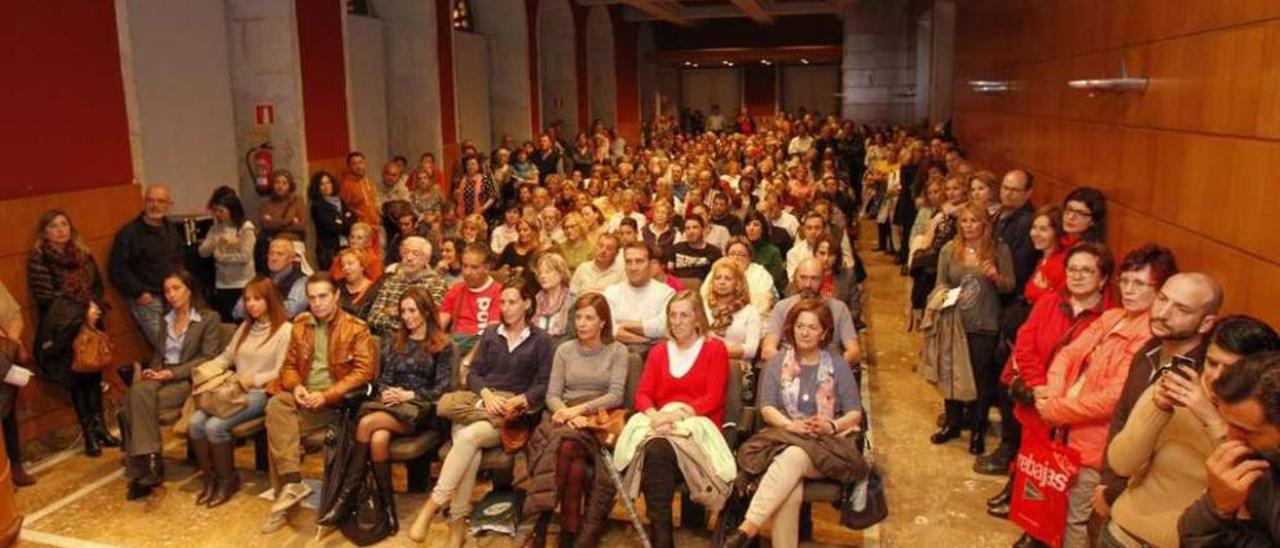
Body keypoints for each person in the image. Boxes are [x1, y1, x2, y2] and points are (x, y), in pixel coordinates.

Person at [1029, 245, 1168, 548]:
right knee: (1055, 510)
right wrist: (1052, 397)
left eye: (1140, 284)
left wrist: (1055, 409)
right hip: (1064, 431)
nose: (1129, 290)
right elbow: (1068, 354)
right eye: (1126, 281)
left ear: (1161, 291)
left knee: (1075, 520)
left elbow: (1112, 398)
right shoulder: (1114, 316)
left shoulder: (1151, 337)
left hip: (1094, 445)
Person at [407, 279, 553, 546]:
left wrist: (519, 400)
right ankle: (456, 527)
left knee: (465, 438)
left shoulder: (541, 340)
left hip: (510, 413)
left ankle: (434, 505)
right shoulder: (490, 333)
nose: (506, 308)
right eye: (503, 302)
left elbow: (544, 384)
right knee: (467, 442)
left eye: (512, 302)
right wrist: (485, 394)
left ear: (527, 304)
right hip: (479, 404)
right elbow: (473, 374)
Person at [984, 243, 1115, 519]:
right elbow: (1025, 342)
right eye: (1072, 269)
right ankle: (1023, 509)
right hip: (1037, 397)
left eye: (1087, 271)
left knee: (1056, 474)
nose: (1077, 275)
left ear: (1102, 278)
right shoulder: (1049, 302)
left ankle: (1041, 525)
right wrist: (1037, 385)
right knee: (1030, 459)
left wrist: (1056, 398)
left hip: (1070, 412)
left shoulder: (1110, 319)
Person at [724, 299, 864, 548]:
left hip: (827, 446)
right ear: (792, 328)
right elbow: (766, 407)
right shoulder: (777, 362)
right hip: (783, 439)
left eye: (812, 327)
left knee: (794, 457)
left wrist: (830, 426)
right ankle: (751, 534)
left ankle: (747, 528)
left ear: (824, 332)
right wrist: (791, 426)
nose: (805, 332)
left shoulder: (837, 364)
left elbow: (855, 413)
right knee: (790, 488)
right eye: (800, 326)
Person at [318, 288, 454, 533]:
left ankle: (345, 496)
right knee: (378, 438)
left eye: (412, 310)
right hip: (392, 407)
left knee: (366, 424)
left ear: (425, 310)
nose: (407, 316)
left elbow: (443, 389)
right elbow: (383, 380)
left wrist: (408, 395)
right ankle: (389, 511)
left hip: (422, 410)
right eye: (403, 311)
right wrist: (388, 393)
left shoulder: (443, 345)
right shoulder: (395, 340)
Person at [261, 274, 376, 533]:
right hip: (305, 398)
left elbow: (364, 372)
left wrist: (327, 395)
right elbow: (289, 367)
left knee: (279, 432)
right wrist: (297, 386)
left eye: (323, 296)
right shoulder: (301, 325)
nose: (317, 303)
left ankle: (285, 499)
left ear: (336, 296)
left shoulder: (356, 328)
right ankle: (292, 485)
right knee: (278, 407)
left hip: (336, 404)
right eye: (312, 298)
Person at [623, 290, 732, 548]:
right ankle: (662, 537)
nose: (677, 321)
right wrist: (655, 416)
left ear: (698, 319)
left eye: (684, 315)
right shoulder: (660, 351)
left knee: (656, 452)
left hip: (698, 427)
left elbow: (713, 398)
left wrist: (676, 415)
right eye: (672, 315)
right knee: (656, 450)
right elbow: (643, 394)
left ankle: (661, 540)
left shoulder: (714, 349)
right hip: (661, 427)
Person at [523, 293, 629, 547]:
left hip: (596, 420)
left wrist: (579, 411)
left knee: (567, 447)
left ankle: (542, 524)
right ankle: (569, 532)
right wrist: (565, 412)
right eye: (578, 317)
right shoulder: (564, 350)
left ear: (602, 322)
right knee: (572, 456)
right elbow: (552, 395)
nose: (582, 323)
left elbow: (615, 395)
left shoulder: (618, 351)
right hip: (563, 416)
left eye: (589, 318)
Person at [188, 277, 292, 508]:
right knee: (195, 423)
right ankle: (210, 479)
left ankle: (228, 480)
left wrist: (252, 379)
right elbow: (227, 357)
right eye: (247, 299)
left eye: (257, 299)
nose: (251, 304)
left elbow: (281, 371)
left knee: (215, 427)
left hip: (261, 392)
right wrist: (206, 372)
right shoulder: (246, 327)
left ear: (270, 300)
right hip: (234, 388)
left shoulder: (285, 330)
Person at [121, 270, 224, 500]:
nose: (171, 295)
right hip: (162, 376)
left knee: (132, 399)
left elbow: (208, 357)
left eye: (176, 288)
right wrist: (154, 370)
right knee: (137, 394)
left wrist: (172, 372)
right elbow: (159, 354)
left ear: (189, 289)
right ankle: (150, 461)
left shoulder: (208, 318)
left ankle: (142, 468)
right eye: (167, 290)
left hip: (188, 380)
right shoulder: (164, 319)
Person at [28, 209, 119, 457]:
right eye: (54, 226)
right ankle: (89, 434)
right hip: (64, 328)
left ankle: (101, 428)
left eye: (64, 224)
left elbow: (97, 286)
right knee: (78, 379)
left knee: (94, 376)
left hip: (92, 322)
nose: (61, 230)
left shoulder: (83, 254)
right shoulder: (40, 259)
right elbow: (46, 297)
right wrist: (81, 311)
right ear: (45, 232)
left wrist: (95, 309)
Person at [930, 203, 1015, 456]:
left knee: (982, 378)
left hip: (984, 323)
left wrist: (996, 277)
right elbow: (941, 281)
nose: (968, 226)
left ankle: (978, 428)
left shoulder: (999, 249)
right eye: (964, 221)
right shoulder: (949, 249)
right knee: (952, 373)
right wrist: (942, 295)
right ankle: (953, 424)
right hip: (954, 322)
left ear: (984, 224)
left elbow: (1009, 286)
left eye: (974, 221)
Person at [1178, 351, 1280, 546]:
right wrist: (1217, 507)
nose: (1230, 437)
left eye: (1244, 430)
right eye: (1227, 423)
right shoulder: (1258, 461)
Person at [108, 184, 184, 348]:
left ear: (169, 205)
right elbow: (117, 269)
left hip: (173, 296)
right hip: (149, 301)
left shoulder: (170, 228)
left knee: (182, 344)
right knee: (168, 348)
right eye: (150, 200)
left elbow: (178, 258)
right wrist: (139, 293)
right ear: (144, 202)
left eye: (161, 201)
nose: (155, 205)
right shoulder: (129, 233)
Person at [762, 258, 862, 367]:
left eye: (814, 279)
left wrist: (835, 367)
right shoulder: (781, 307)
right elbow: (767, 350)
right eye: (803, 278)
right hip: (788, 372)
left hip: (829, 374)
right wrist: (789, 366)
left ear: (823, 279)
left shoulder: (839, 309)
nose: (808, 284)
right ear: (795, 278)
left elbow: (854, 352)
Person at [365, 237, 449, 337]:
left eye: (415, 254)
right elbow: (373, 318)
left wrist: (393, 312)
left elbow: (426, 321)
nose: (409, 258)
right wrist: (407, 320)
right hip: (386, 338)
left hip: (418, 342)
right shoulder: (391, 281)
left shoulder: (436, 284)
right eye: (406, 252)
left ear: (427, 259)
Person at [199, 187, 257, 319]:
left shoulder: (246, 227)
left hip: (243, 281)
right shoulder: (215, 229)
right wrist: (214, 240)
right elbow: (203, 252)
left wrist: (222, 258)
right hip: (222, 283)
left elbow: (245, 256)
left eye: (221, 211)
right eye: (216, 211)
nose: (218, 214)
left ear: (232, 210)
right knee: (226, 319)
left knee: (243, 320)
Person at [604, 242, 677, 346]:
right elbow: (606, 328)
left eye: (639, 261)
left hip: (654, 352)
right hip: (617, 350)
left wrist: (624, 324)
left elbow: (663, 326)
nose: (633, 268)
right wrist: (645, 340)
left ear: (650, 264)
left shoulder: (666, 293)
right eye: (628, 262)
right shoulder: (611, 292)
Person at [439, 243, 503, 356]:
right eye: (464, 266)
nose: (467, 272)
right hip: (456, 342)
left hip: (483, 344)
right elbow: (439, 324)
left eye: (474, 267)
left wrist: (468, 361)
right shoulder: (456, 289)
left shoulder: (498, 292)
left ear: (487, 267)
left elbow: (492, 333)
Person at [0, 282, 34, 485]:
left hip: (3, 358)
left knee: (7, 415)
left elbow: (13, 314)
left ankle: (15, 465)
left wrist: (10, 342)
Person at [703, 258, 763, 362]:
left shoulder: (750, 312)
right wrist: (735, 348)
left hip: (737, 367)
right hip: (705, 362)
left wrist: (717, 349)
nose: (722, 282)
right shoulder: (703, 307)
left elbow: (751, 350)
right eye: (718, 278)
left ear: (738, 283)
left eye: (727, 278)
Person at [232, 238, 307, 320]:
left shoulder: (301, 279)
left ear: (291, 258)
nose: (274, 258)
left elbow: (291, 311)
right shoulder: (260, 278)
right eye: (271, 253)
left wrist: (258, 308)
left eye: (280, 254)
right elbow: (237, 311)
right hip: (258, 327)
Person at [703, 236, 776, 319]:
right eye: (732, 254)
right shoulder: (717, 270)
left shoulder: (761, 274)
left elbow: (762, 304)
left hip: (753, 319)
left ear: (750, 257)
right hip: (716, 317)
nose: (736, 258)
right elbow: (704, 296)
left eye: (742, 255)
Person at [256, 170, 307, 274]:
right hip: (274, 245)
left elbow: (301, 226)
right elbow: (266, 225)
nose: (280, 186)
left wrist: (274, 222)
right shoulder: (267, 204)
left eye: (284, 183)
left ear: (290, 185)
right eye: (277, 182)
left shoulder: (297, 201)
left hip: (294, 244)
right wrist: (290, 220)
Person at [309, 171, 356, 276]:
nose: (326, 186)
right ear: (317, 187)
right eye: (322, 184)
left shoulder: (340, 201)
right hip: (329, 250)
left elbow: (353, 219)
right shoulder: (318, 205)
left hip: (346, 247)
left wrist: (341, 221)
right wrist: (345, 220)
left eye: (328, 182)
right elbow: (332, 227)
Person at [532, 252, 575, 339]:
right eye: (540, 273)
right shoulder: (535, 300)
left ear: (560, 273)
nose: (542, 276)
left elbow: (571, 335)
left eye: (548, 271)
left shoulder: (572, 301)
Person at [341, 152, 381, 246]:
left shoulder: (367, 181)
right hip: (360, 230)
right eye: (354, 164)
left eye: (360, 162)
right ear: (349, 167)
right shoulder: (347, 185)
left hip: (375, 227)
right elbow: (345, 209)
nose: (359, 166)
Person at [744, 211, 787, 296]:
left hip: (764, 292)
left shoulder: (772, 252)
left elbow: (775, 281)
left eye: (756, 225)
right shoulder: (740, 250)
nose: (751, 228)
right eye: (748, 224)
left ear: (763, 229)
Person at [672, 214, 722, 281]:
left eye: (695, 227)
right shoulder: (676, 249)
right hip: (679, 288)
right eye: (688, 228)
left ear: (703, 229)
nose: (691, 231)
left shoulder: (714, 252)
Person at [785, 211, 828, 281]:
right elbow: (793, 281)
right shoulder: (793, 253)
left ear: (824, 230)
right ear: (804, 230)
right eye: (809, 228)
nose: (813, 232)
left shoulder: (832, 251)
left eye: (817, 228)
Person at [336, 248, 376, 318]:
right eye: (343, 265)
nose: (346, 268)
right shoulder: (336, 286)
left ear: (362, 265)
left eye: (350, 263)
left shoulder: (373, 289)